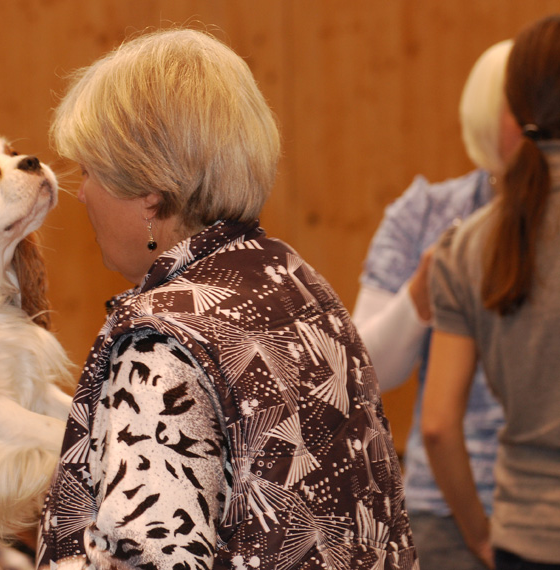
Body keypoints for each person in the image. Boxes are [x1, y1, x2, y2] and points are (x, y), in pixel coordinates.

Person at [38, 28, 416, 570]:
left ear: (149, 193)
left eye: (90, 171)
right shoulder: (297, 283)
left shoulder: (160, 346)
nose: (80, 193)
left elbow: (148, 555)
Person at [352, 39, 519, 569]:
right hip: (441, 508)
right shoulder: (424, 213)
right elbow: (364, 371)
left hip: (538, 504)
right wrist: (419, 295)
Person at [422, 14, 560, 570]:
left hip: (523, 537)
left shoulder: (466, 246)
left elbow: (436, 427)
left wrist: (481, 537)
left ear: (516, 103)